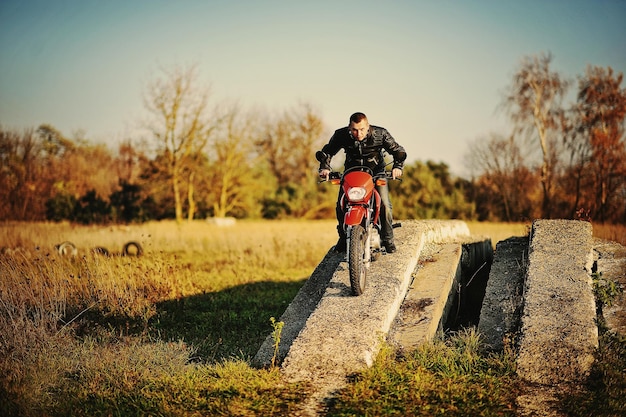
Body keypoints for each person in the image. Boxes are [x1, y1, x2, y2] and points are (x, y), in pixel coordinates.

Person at [316, 112, 407, 253]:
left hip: (376, 172)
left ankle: (388, 239)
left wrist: (397, 167)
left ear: (368, 126)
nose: (358, 133)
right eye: (354, 130)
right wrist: (325, 168)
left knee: (385, 205)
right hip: (352, 172)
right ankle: (343, 237)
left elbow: (398, 151)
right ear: (349, 128)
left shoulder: (380, 134)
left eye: (362, 129)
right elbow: (328, 151)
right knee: (341, 204)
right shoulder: (341, 135)